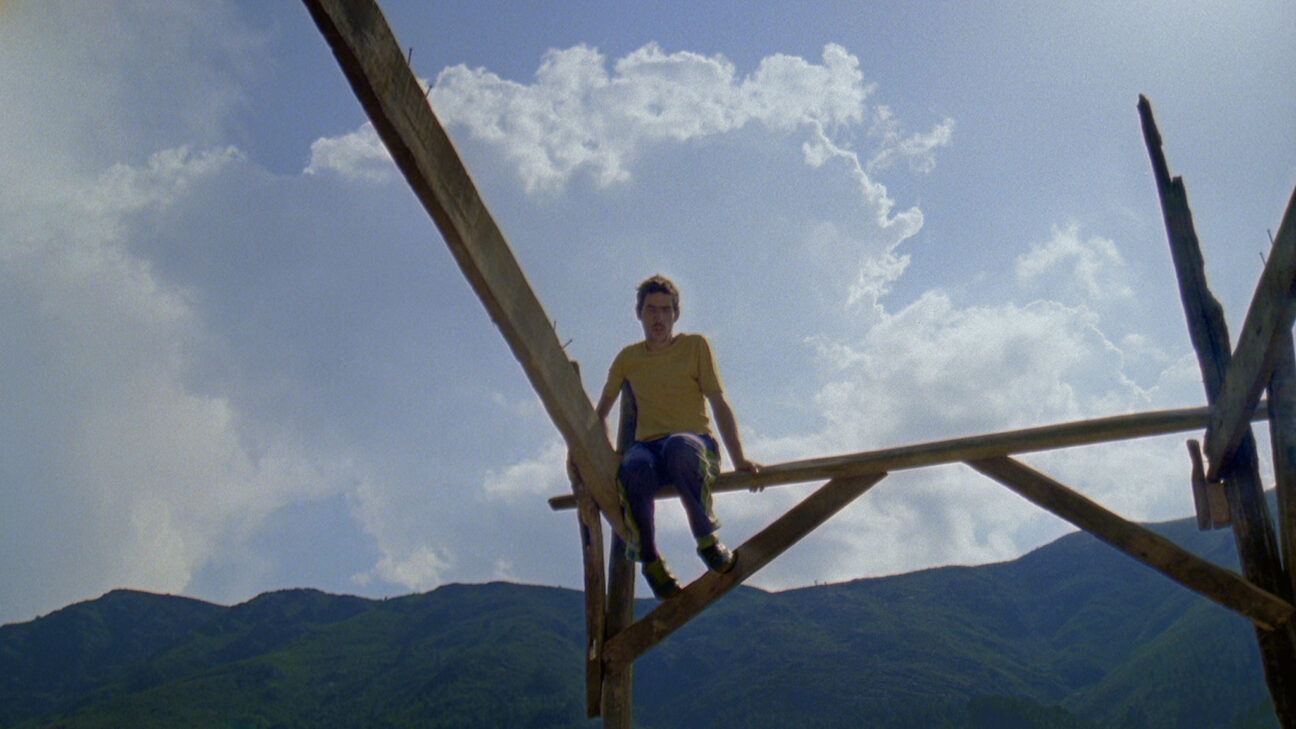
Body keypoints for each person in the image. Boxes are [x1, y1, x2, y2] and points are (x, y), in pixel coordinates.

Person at [594, 275, 759, 599]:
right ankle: (651, 562)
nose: (659, 318)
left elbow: (718, 402)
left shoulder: (695, 346)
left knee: (679, 447)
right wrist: (610, 456)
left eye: (666, 310)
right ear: (639, 313)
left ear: (676, 314)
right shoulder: (628, 358)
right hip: (648, 448)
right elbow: (600, 413)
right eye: (651, 310)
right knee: (633, 467)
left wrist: (739, 458)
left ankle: (707, 539)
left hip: (692, 443)